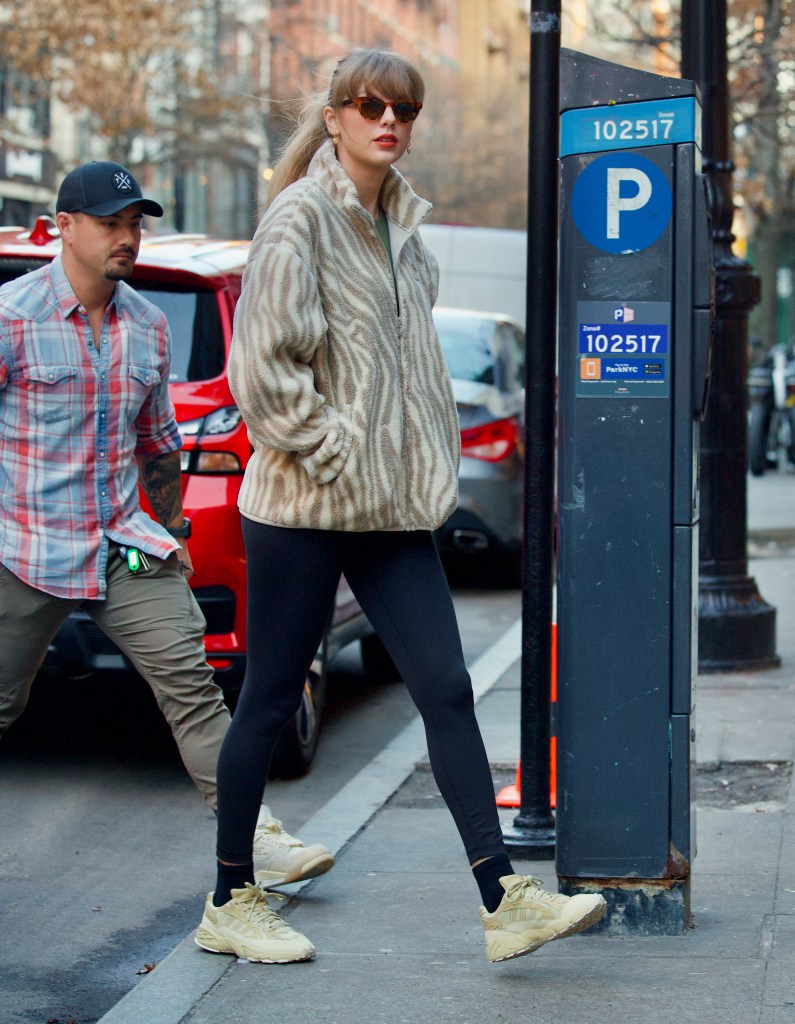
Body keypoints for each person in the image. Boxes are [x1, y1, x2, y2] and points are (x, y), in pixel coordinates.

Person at [197, 48, 607, 967]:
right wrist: (337, 449)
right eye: (370, 105)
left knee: (447, 689)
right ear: (335, 117)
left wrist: (419, 464)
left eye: (404, 108)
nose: (389, 120)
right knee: (265, 699)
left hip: (386, 511)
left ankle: (504, 900)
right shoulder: (298, 218)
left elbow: (410, 373)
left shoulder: (401, 229)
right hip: (305, 503)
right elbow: (261, 371)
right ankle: (229, 899)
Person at [0, 160, 332, 890]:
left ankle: (257, 838)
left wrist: (173, 532)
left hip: (123, 546)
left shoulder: (147, 328)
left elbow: (158, 443)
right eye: (112, 224)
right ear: (65, 228)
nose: (128, 238)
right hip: (21, 547)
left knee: (192, 686)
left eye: (135, 224)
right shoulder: (10, 318)